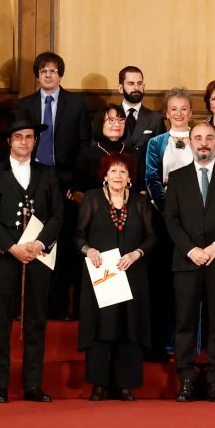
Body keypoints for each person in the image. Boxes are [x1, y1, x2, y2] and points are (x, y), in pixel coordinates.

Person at [0, 109, 63, 403]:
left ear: (35, 141)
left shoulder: (48, 174)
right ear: (9, 141)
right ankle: (0, 384)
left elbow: (57, 215)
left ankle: (32, 384)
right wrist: (12, 247)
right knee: (1, 320)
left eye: (29, 137)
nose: (24, 142)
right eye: (19, 137)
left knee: (36, 320)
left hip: (38, 255)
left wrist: (39, 244)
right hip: (5, 256)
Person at [163, 122, 215, 402]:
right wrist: (191, 250)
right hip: (186, 261)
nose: (203, 143)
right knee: (184, 321)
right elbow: (171, 219)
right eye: (198, 138)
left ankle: (214, 381)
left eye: (209, 138)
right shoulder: (177, 177)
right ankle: (186, 378)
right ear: (189, 141)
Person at [15, 51, 91, 320]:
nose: (48, 75)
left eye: (53, 71)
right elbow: (19, 146)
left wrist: (78, 184)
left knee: (63, 247)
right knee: (33, 242)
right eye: (44, 71)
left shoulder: (77, 104)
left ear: (60, 75)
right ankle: (32, 307)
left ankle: (61, 308)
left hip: (66, 185)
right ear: (37, 76)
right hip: (33, 183)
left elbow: (84, 146)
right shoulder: (24, 104)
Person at [75, 152, 155, 401]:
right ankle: (98, 384)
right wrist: (89, 250)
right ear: (105, 176)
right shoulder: (92, 198)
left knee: (129, 328)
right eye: (113, 171)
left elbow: (153, 237)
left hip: (132, 273)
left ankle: (125, 384)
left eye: (123, 171)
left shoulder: (140, 202)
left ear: (130, 177)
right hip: (101, 274)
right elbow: (77, 235)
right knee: (100, 327)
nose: (118, 176)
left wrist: (137, 253)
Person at [144, 88, 195, 208]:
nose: (178, 114)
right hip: (166, 204)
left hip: (196, 203)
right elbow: (152, 179)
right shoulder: (155, 143)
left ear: (190, 113)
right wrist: (167, 206)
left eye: (184, 109)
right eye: (173, 109)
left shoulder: (200, 140)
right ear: (167, 113)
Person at [72, 105, 130, 204]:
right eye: (111, 120)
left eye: (121, 120)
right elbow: (78, 192)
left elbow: (141, 190)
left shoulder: (133, 154)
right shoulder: (86, 155)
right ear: (101, 124)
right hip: (93, 211)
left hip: (128, 211)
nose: (117, 124)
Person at [118, 65, 164, 175]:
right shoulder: (110, 117)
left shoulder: (155, 118)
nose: (136, 88)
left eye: (139, 83)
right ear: (120, 88)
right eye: (131, 84)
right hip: (117, 178)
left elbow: (161, 155)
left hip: (145, 178)